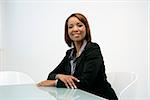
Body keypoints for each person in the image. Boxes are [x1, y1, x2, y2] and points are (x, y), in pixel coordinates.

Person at [37, 13, 118, 99]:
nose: (75, 29)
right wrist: (61, 76)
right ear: (67, 32)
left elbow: (85, 83)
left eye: (79, 25)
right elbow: (51, 75)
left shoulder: (93, 49)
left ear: (86, 28)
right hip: (79, 97)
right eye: (70, 27)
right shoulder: (69, 53)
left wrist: (55, 83)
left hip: (100, 97)